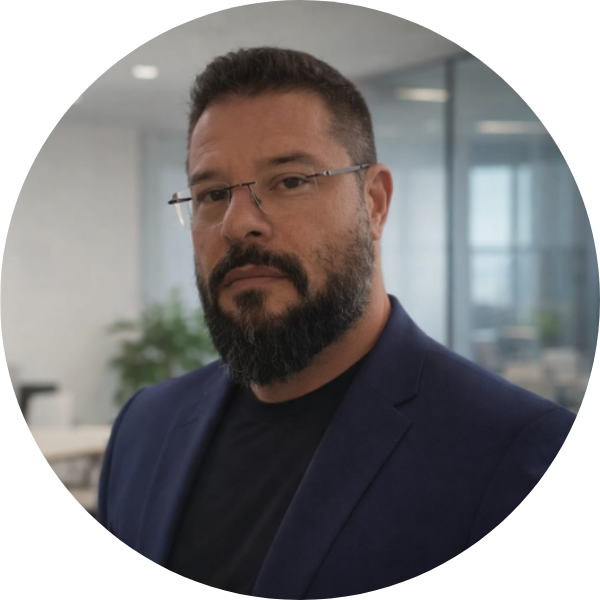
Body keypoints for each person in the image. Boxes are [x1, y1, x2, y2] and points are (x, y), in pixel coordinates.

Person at [96, 47, 576, 596]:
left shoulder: (513, 450)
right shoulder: (144, 427)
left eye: (290, 181)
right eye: (213, 194)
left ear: (374, 203)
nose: (237, 223)